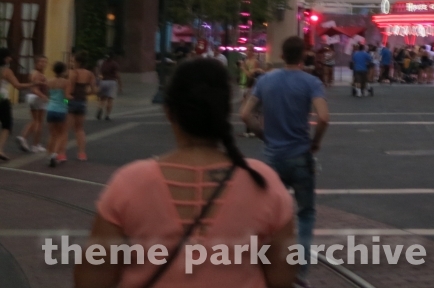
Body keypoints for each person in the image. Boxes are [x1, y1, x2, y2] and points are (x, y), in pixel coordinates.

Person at [74, 58, 296, 288]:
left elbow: (92, 279)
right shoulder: (263, 182)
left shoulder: (129, 183)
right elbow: (282, 278)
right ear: (225, 112)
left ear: (169, 113)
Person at [240, 36, 329, 280]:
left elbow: (245, 113)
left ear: (282, 54)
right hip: (300, 154)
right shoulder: (311, 82)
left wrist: (263, 134)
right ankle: (300, 271)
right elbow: (323, 117)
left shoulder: (266, 80)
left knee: (267, 213)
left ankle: (265, 264)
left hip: (272, 156)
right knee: (306, 213)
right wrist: (315, 142)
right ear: (303, 55)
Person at [1, 48, 35, 161]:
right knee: (7, 125)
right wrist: (32, 84)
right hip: (2, 100)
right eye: (9, 57)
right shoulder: (6, 71)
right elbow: (18, 85)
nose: (11, 59)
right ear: (5, 58)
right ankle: (0, 149)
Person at [67, 52, 97, 161]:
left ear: (77, 62)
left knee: (66, 129)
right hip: (82, 102)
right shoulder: (90, 74)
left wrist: (65, 102)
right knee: (79, 129)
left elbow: (69, 91)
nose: (72, 63)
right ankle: (81, 153)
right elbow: (94, 90)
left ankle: (61, 153)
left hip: (72, 101)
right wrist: (85, 94)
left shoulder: (74, 73)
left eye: (73, 61)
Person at [17, 55, 49, 152]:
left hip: (33, 98)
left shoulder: (34, 73)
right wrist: (43, 96)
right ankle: (35, 144)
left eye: (45, 62)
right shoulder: (37, 74)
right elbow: (34, 89)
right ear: (36, 63)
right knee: (39, 122)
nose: (43, 64)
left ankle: (23, 137)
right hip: (37, 98)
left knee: (35, 120)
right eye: (41, 62)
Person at [46, 61, 70, 167]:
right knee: (61, 134)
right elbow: (66, 97)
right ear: (63, 71)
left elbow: (49, 95)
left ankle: (49, 154)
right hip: (61, 110)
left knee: (52, 134)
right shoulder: (66, 82)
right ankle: (55, 154)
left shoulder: (49, 81)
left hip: (50, 108)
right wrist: (66, 104)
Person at [96, 53, 121, 121]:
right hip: (112, 82)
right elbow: (117, 75)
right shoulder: (114, 64)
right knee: (110, 100)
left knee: (102, 98)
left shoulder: (102, 64)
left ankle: (100, 109)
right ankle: (107, 115)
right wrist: (120, 84)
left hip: (103, 82)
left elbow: (99, 72)